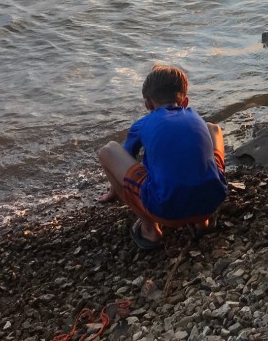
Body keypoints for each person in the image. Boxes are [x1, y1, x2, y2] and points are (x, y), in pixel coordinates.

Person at [97, 64, 228, 250]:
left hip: (165, 211)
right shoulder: (196, 117)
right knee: (213, 129)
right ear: (185, 102)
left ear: (148, 104)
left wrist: (114, 190)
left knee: (108, 150)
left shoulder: (143, 123)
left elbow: (124, 157)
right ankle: (203, 223)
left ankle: (150, 229)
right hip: (212, 201)